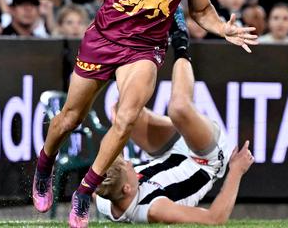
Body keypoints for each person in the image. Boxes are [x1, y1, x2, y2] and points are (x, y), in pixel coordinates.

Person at [22, 0, 258, 228]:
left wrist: (223, 27)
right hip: (102, 39)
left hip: (144, 49)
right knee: (69, 118)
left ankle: (85, 192)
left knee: (127, 116)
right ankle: (44, 164)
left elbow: (202, 11)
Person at [95, 27, 254, 224]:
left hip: (167, 153)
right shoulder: (154, 209)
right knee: (178, 108)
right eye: (130, 168)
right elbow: (214, 219)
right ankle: (181, 41)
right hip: (203, 159)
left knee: (122, 111)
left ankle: (136, 44)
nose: (131, 164)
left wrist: (120, 124)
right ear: (127, 189)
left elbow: (97, 188)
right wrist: (237, 170)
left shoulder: (104, 196)